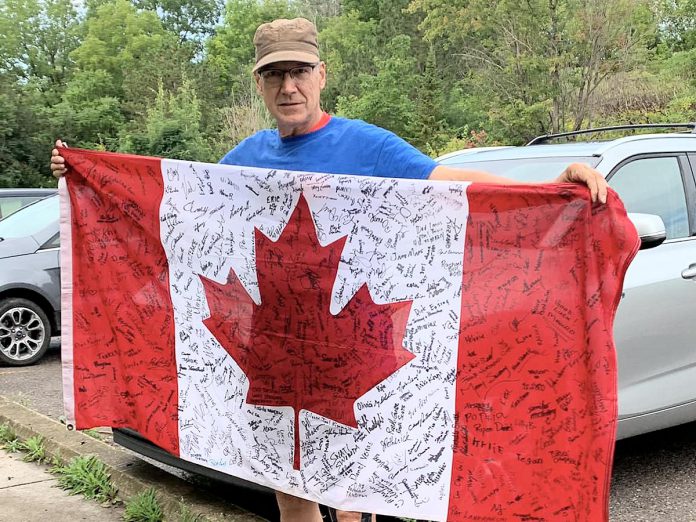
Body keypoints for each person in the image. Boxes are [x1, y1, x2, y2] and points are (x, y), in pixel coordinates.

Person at [51, 17, 608, 522]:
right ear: (261, 85)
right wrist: (82, 174)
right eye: (274, 76)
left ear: (322, 75)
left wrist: (553, 188)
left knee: (350, 494)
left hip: (347, 353)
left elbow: (452, 187)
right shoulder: (246, 158)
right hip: (271, 351)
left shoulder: (368, 147)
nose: (287, 87)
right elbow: (175, 211)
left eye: (298, 72)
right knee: (290, 492)